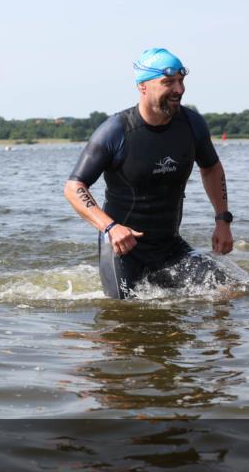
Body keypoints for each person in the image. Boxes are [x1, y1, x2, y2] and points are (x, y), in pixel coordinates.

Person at [64, 48, 234, 299]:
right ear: (142, 87)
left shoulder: (192, 124)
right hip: (123, 250)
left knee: (229, 291)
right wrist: (109, 227)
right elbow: (74, 187)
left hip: (170, 246)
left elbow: (211, 168)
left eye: (181, 80)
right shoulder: (115, 131)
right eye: (168, 82)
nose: (179, 89)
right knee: (126, 315)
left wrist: (222, 221)